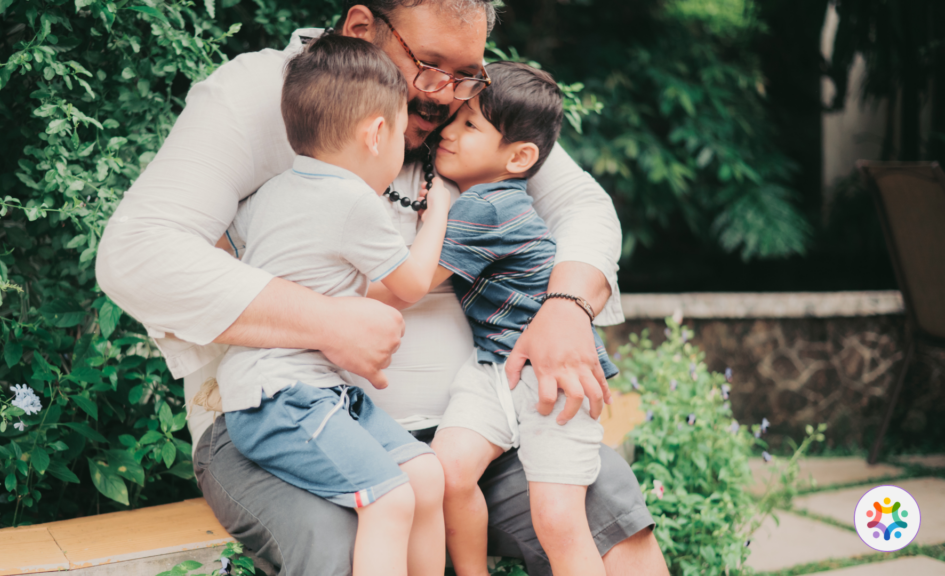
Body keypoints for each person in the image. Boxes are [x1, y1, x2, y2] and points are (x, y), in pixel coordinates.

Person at [95, 1, 668, 574]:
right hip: (291, 417)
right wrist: (327, 322)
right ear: (362, 28)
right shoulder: (261, 96)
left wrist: (566, 307)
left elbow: (582, 206)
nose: (445, 96)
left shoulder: (464, 99)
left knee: (610, 517)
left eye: (465, 72)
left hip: (474, 431)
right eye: (429, 64)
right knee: (351, 543)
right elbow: (137, 252)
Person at [370, 61, 617, 576]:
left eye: (469, 126)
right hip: (495, 368)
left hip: (549, 373)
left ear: (520, 157)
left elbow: (401, 287)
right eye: (452, 120)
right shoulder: (480, 199)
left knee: (557, 518)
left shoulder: (486, 209)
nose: (447, 132)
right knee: (451, 471)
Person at [215, 34, 450, 576]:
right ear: (376, 133)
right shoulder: (353, 202)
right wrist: (438, 210)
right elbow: (413, 283)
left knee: (425, 473)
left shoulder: (274, 189)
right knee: (391, 499)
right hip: (281, 398)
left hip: (315, 392)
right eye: (401, 135)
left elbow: (227, 245)